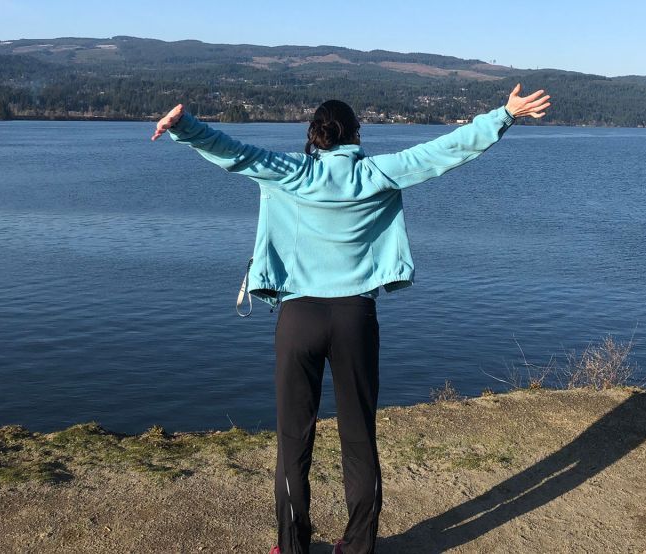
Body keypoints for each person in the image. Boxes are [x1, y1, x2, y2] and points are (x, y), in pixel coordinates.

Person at [151, 84, 550, 554]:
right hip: (355, 319)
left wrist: (184, 127)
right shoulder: (377, 172)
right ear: (355, 134)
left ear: (314, 135)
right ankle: (358, 546)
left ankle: (292, 546)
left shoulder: (289, 172)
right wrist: (503, 115)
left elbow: (232, 153)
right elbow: (445, 151)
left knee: (293, 441)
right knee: (359, 438)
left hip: (299, 318)